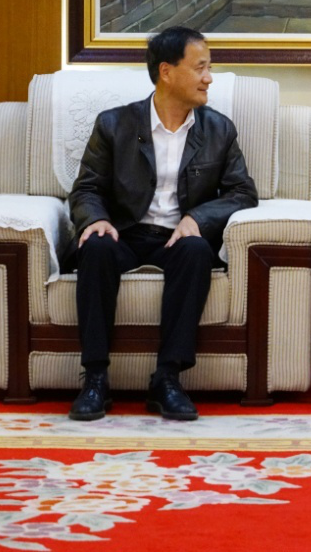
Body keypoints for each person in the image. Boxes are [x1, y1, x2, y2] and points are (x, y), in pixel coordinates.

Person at [67, 27, 258, 421]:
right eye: (200, 68)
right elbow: (86, 188)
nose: (209, 78)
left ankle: (167, 379)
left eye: (209, 68)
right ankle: (95, 379)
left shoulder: (219, 129)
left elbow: (243, 193)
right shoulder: (114, 124)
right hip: (124, 232)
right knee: (95, 246)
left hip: (177, 239)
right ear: (167, 72)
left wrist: (197, 218)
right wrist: (96, 219)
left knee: (196, 250)